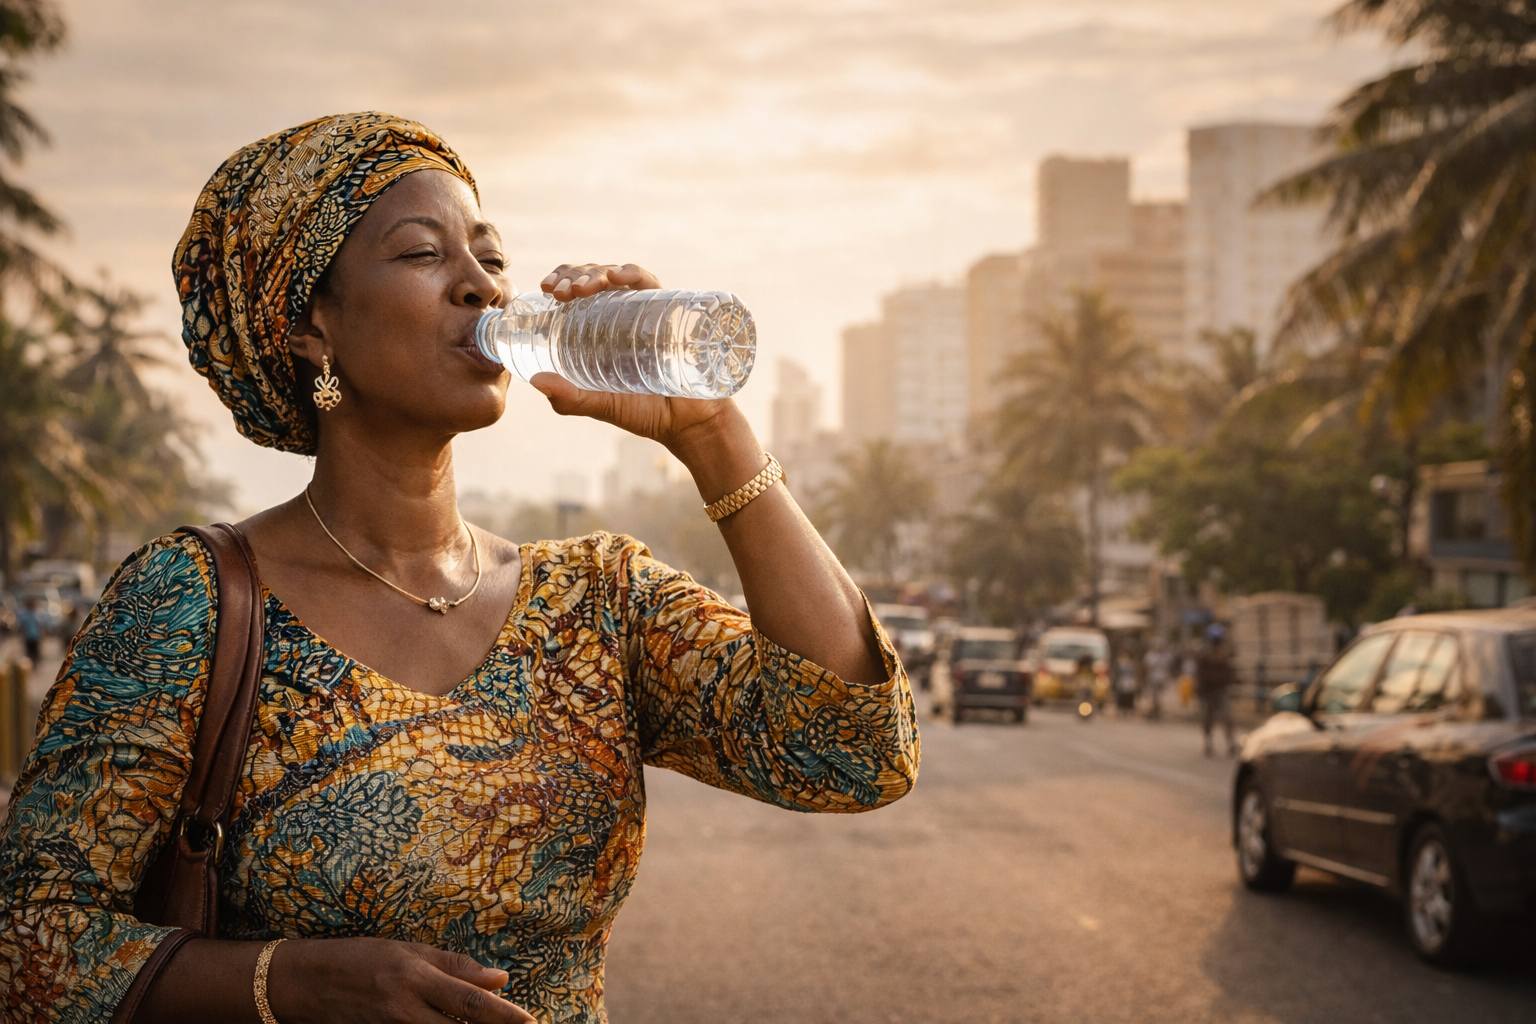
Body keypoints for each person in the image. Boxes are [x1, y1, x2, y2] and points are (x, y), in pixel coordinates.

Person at [0, 113, 919, 1024]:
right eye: (420, 255)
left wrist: (713, 433)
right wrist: (294, 983)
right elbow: (30, 945)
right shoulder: (192, 602)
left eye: (489, 255)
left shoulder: (598, 601)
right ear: (314, 327)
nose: (480, 287)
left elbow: (855, 752)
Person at [1195, 624, 1238, 757]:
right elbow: (1200, 675)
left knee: (1226, 717)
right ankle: (1208, 744)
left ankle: (1231, 744)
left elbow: (1229, 672)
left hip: (1220, 690)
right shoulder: (1204, 655)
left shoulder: (1224, 654)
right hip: (1208, 691)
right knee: (1208, 718)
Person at [1143, 639, 1173, 721]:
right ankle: (1155, 712)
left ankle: (1156, 712)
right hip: (1154, 678)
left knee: (1157, 696)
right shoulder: (1150, 655)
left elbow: (1168, 668)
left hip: (1160, 678)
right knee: (1155, 696)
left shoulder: (1165, 656)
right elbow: (1147, 668)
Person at [16, 596, 40, 665]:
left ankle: (35, 664)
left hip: (36, 636)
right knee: (29, 652)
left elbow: (40, 625)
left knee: (36, 652)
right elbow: (20, 625)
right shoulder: (23, 614)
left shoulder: (38, 613)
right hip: (27, 636)